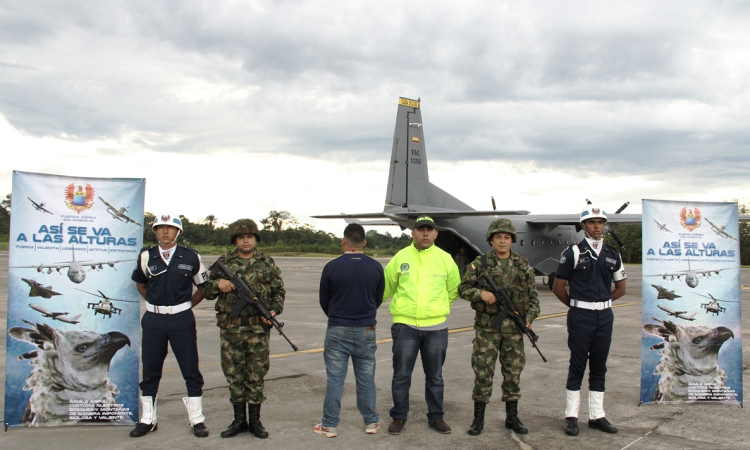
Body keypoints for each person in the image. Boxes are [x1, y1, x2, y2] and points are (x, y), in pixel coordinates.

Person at [203, 219, 285, 439]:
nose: (246, 240)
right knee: (234, 376)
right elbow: (207, 290)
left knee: (256, 376)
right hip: (231, 331)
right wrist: (217, 283)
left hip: (258, 331)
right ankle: (239, 421)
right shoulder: (223, 263)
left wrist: (274, 312)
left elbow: (279, 292)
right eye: (241, 237)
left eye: (250, 236)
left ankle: (255, 422)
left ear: (256, 239)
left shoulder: (267, 262)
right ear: (235, 240)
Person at [130, 213, 209, 438]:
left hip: (181, 320)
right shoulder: (146, 255)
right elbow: (141, 286)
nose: (165, 231)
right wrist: (158, 306)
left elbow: (202, 288)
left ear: (178, 232)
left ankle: (197, 420)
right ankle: (148, 420)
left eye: (170, 228)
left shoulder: (192, 256)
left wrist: (184, 307)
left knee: (190, 368)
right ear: (155, 231)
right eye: (160, 227)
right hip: (154, 320)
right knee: (151, 369)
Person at [459, 218, 540, 436]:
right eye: (498, 237)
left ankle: (512, 418)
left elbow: (533, 298)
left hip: (514, 331)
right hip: (487, 330)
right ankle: (478, 419)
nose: (502, 241)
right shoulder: (481, 263)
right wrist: (481, 294)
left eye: (506, 237)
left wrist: (529, 319)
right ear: (491, 240)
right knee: (483, 373)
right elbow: (463, 288)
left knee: (513, 374)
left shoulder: (522, 264)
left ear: (512, 240)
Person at [383, 215, 461, 435]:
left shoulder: (445, 259)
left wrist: (439, 307)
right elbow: (386, 287)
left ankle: (436, 417)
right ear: (413, 233)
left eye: (429, 230)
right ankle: (399, 416)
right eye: (420, 229)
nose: (425, 233)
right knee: (401, 376)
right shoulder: (400, 257)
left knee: (435, 377)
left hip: (436, 328)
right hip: (405, 326)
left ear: (436, 233)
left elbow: (454, 289)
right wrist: (365, 310)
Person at [552, 205, 626, 436]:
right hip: (580, 316)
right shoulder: (572, 252)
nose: (597, 226)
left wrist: (601, 303)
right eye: (592, 222)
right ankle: (571, 415)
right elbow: (558, 286)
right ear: (583, 226)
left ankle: (597, 415)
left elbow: (621, 288)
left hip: (604, 317)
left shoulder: (613, 254)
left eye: (600, 222)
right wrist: (578, 305)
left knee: (599, 365)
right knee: (577, 364)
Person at [313, 223, 385, 438]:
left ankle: (329, 425)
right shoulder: (375, 266)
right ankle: (371, 421)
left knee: (335, 378)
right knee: (366, 378)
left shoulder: (331, 266)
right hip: (366, 328)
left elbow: (324, 300)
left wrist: (337, 316)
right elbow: (377, 298)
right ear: (364, 242)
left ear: (343, 241)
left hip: (338, 328)